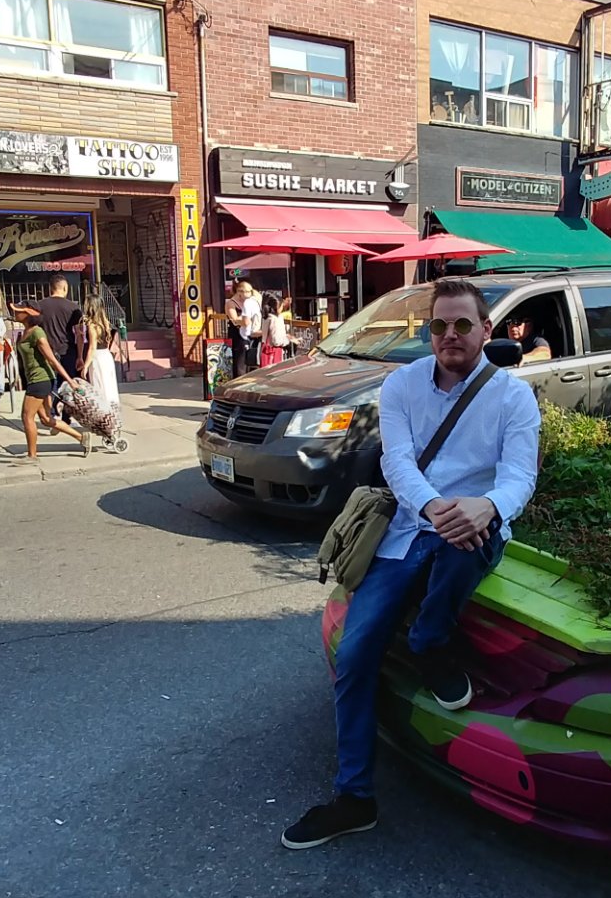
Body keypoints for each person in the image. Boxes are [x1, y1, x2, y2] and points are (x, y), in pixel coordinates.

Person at [281, 277, 542, 851]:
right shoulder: (401, 384)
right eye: (441, 326)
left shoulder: (512, 396)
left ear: (485, 331)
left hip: (474, 528)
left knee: (462, 545)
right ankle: (354, 799)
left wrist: (487, 507)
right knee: (354, 655)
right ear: (430, 333)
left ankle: (430, 640)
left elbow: (520, 475)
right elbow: (397, 462)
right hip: (406, 530)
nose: (451, 336)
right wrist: (432, 505)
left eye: (463, 325)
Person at [11, 305, 86, 461]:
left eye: (18, 311)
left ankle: (32, 456)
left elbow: (52, 360)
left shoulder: (37, 332)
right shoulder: (25, 332)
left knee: (27, 417)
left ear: (28, 314)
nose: (15, 313)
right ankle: (82, 438)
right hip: (34, 379)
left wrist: (70, 381)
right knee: (45, 419)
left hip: (41, 379)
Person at [227, 279, 261, 377]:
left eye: (250, 291)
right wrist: (244, 320)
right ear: (239, 292)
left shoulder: (250, 302)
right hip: (238, 335)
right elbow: (234, 320)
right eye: (246, 291)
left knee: (251, 362)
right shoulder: (231, 303)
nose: (249, 294)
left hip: (251, 334)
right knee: (240, 364)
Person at [258, 291, 292, 367]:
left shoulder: (266, 317)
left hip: (265, 349)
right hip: (273, 351)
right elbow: (276, 341)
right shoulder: (275, 319)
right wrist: (287, 341)